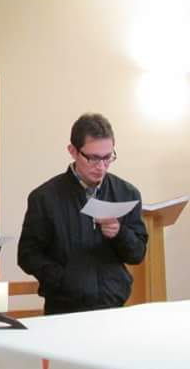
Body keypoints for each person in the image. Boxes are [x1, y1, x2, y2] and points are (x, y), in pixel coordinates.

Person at [17, 113, 148, 315]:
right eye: (93, 158)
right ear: (73, 151)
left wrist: (119, 233)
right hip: (63, 309)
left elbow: (137, 254)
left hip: (113, 307)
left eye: (107, 157)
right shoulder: (45, 197)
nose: (101, 167)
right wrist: (63, 279)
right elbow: (27, 256)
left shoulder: (127, 193)